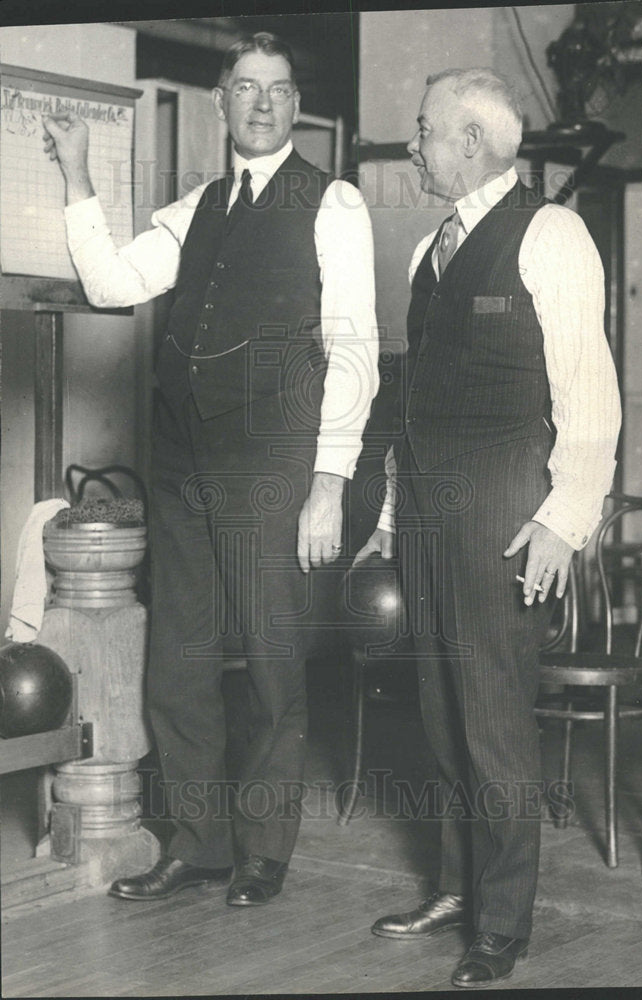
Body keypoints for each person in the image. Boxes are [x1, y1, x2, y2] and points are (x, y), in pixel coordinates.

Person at [43, 32, 378, 907]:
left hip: (275, 464)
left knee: (271, 664)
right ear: (221, 103)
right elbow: (113, 285)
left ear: (295, 106)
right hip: (185, 463)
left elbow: (355, 350)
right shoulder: (196, 208)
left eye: (278, 89)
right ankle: (200, 843)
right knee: (179, 664)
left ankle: (264, 850)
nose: (262, 104)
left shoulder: (332, 203)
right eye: (245, 88)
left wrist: (329, 481)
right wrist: (76, 176)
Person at [355, 68, 620, 987]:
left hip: (506, 518)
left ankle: (502, 923)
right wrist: (393, 510)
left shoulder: (554, 234)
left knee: (495, 722)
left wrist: (564, 521)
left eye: (425, 130)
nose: (414, 145)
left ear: (470, 141)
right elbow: (415, 392)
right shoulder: (434, 245)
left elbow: (591, 396)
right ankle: (460, 886)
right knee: (439, 715)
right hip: (428, 515)